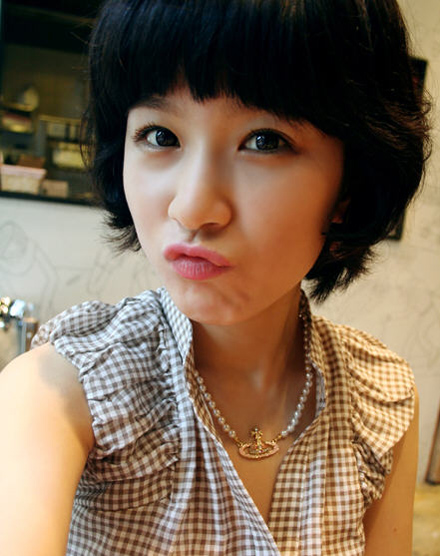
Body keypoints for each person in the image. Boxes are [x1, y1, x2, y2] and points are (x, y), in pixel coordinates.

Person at [0, 0, 430, 554]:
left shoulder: (383, 401)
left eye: (265, 140)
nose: (192, 206)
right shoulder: (61, 392)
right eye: (160, 135)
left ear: (349, 186)